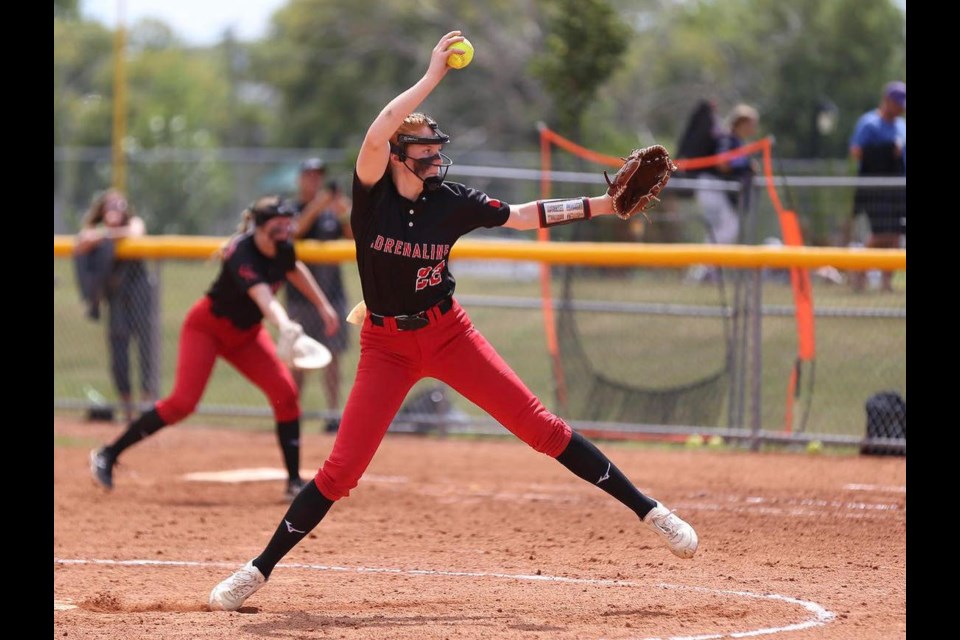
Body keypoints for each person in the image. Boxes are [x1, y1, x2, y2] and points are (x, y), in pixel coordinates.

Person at [208, 31, 698, 612]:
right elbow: (374, 131)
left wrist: (602, 205)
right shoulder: (372, 197)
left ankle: (653, 512)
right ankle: (257, 571)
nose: (436, 156)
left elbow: (520, 216)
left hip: (448, 333)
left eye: (437, 147)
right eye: (423, 148)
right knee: (340, 472)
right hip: (386, 346)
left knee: (541, 427)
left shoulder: (452, 200)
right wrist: (434, 74)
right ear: (397, 155)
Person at [89, 196, 340, 500]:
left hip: (246, 336)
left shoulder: (282, 246)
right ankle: (108, 453)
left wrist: (323, 305)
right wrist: (285, 325)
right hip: (207, 328)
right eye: (278, 225)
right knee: (182, 403)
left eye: (288, 224)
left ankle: (293, 482)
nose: (286, 230)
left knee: (286, 395)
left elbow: (294, 268)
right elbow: (264, 298)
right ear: (259, 228)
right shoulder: (241, 252)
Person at [73, 189, 159, 423]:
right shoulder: (94, 229)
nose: (115, 209)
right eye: (109, 205)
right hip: (116, 297)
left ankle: (146, 407)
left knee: (146, 349)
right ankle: (128, 410)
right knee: (119, 353)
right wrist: (105, 234)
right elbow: (82, 240)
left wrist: (105, 234)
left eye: (119, 205)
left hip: (139, 290)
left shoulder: (133, 222)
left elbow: (136, 233)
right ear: (101, 209)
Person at [285, 158, 353, 433]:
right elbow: (295, 231)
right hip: (301, 297)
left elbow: (352, 237)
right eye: (310, 176)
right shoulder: (291, 209)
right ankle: (291, 411)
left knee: (333, 356)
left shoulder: (330, 214)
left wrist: (342, 211)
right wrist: (318, 206)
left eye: (318, 176)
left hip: (332, 294)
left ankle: (332, 414)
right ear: (301, 179)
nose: (314, 181)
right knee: (299, 358)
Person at [845, 81, 906, 292]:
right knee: (881, 234)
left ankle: (886, 283)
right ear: (886, 100)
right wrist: (886, 151)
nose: (900, 109)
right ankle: (859, 275)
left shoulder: (901, 126)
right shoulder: (869, 123)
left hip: (898, 189)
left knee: (897, 234)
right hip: (876, 188)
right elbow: (856, 151)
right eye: (897, 103)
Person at [690, 104, 759, 282]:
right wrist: (745, 166)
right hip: (710, 187)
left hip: (715, 188)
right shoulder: (727, 139)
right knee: (729, 227)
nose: (754, 128)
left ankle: (706, 270)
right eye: (751, 123)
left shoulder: (736, 141)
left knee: (722, 230)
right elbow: (723, 164)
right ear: (741, 123)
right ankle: (705, 269)